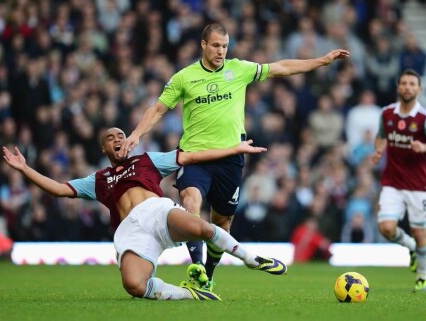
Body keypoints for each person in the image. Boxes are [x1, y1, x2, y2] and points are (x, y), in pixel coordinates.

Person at [118, 23, 349, 290]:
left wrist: (321, 61)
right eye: (216, 45)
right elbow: (158, 109)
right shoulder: (184, 77)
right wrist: (136, 134)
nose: (221, 51)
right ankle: (195, 265)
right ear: (203, 45)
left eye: (225, 46)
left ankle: (208, 274)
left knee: (222, 222)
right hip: (196, 157)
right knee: (191, 200)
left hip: (230, 159)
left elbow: (280, 68)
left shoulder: (238, 69)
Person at [3, 127, 287, 301]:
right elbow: (59, 189)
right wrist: (25, 169)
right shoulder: (98, 179)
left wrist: (233, 149)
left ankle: (250, 258)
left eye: (121, 135)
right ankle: (189, 294)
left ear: (128, 141)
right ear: (104, 148)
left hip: (157, 212)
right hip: (131, 231)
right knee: (134, 286)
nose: (117, 139)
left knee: (200, 226)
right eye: (110, 138)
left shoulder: (147, 160)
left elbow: (190, 156)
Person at [372, 69, 426, 292]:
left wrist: (424, 147)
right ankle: (410, 247)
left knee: (420, 232)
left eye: (412, 84)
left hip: (418, 186)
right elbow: (381, 136)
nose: (407, 87)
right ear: (398, 87)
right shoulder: (386, 114)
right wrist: (378, 151)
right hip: (392, 182)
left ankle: (423, 276)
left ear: (419, 89)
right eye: (404, 83)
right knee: (386, 228)